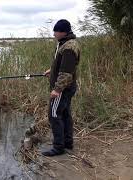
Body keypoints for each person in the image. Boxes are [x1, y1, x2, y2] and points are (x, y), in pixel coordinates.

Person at [42, 19, 80, 156]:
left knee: (53, 114)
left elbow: (66, 73)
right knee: (65, 114)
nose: (54, 34)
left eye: (55, 31)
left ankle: (58, 147)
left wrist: (57, 90)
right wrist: (51, 71)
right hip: (67, 88)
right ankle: (67, 143)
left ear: (63, 32)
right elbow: (62, 65)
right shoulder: (64, 43)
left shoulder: (69, 47)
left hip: (63, 89)